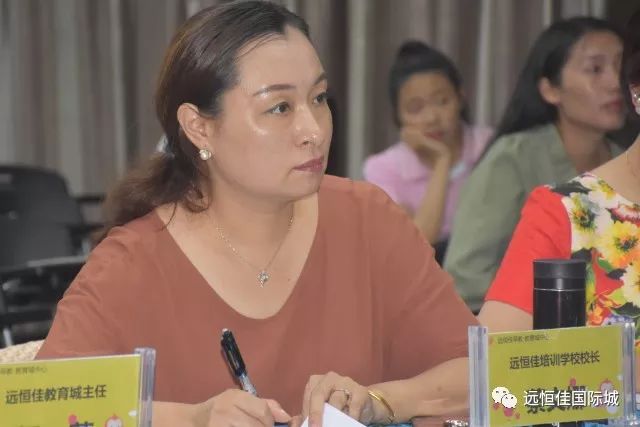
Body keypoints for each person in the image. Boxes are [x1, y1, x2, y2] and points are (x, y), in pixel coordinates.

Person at [36, 2, 478, 426]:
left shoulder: (367, 220)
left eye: (319, 98)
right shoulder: (131, 265)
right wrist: (190, 419)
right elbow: (38, 410)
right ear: (199, 127)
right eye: (280, 107)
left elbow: (492, 384)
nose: (313, 130)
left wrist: (380, 402)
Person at [444, 17, 626, 311]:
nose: (615, 82)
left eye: (622, 67)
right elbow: (466, 275)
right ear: (550, 90)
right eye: (595, 69)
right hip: (524, 330)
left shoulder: (625, 160)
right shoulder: (513, 157)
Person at [479, 9, 640, 338]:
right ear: (637, 90)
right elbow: (496, 360)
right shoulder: (568, 211)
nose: (609, 82)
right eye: (594, 69)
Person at [364, 41, 492, 253]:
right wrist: (442, 161)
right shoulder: (383, 168)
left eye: (442, 101)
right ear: (398, 116)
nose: (432, 117)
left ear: (460, 98)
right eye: (416, 108)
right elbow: (417, 245)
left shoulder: (490, 147)